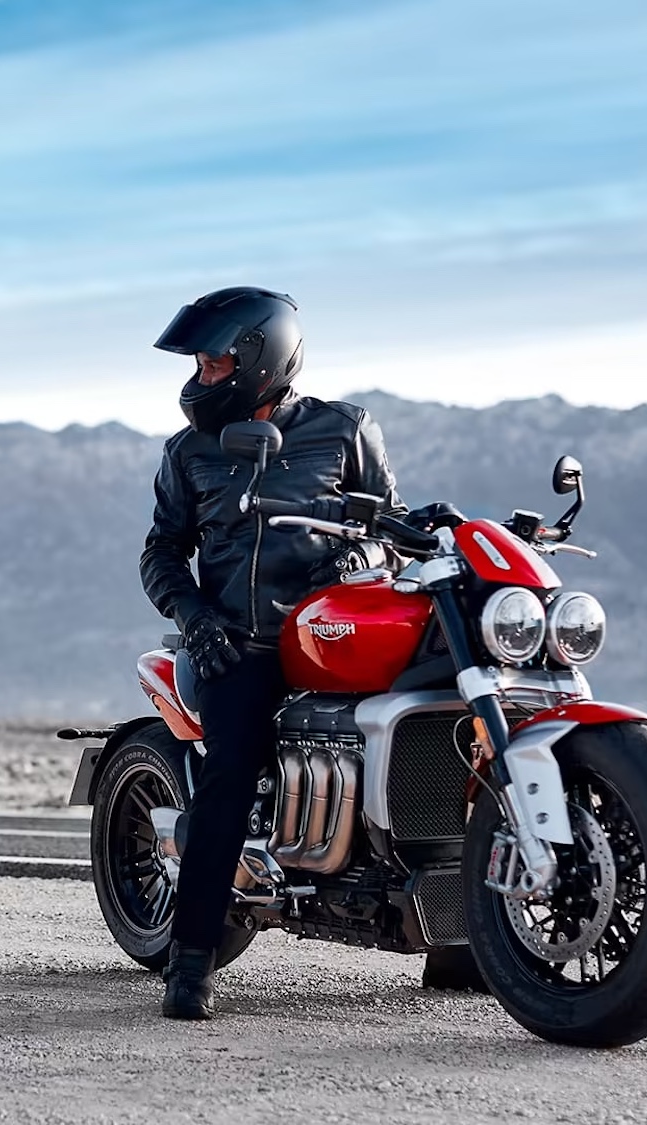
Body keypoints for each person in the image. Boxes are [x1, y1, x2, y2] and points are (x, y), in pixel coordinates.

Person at [138, 287, 403, 1020]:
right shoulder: (188, 451)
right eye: (200, 360)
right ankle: (191, 963)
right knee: (227, 775)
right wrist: (194, 618)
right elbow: (161, 552)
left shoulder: (342, 429)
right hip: (240, 642)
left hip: (331, 632)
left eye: (216, 360)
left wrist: (383, 549)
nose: (202, 374)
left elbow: (390, 521)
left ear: (261, 358)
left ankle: (459, 938)